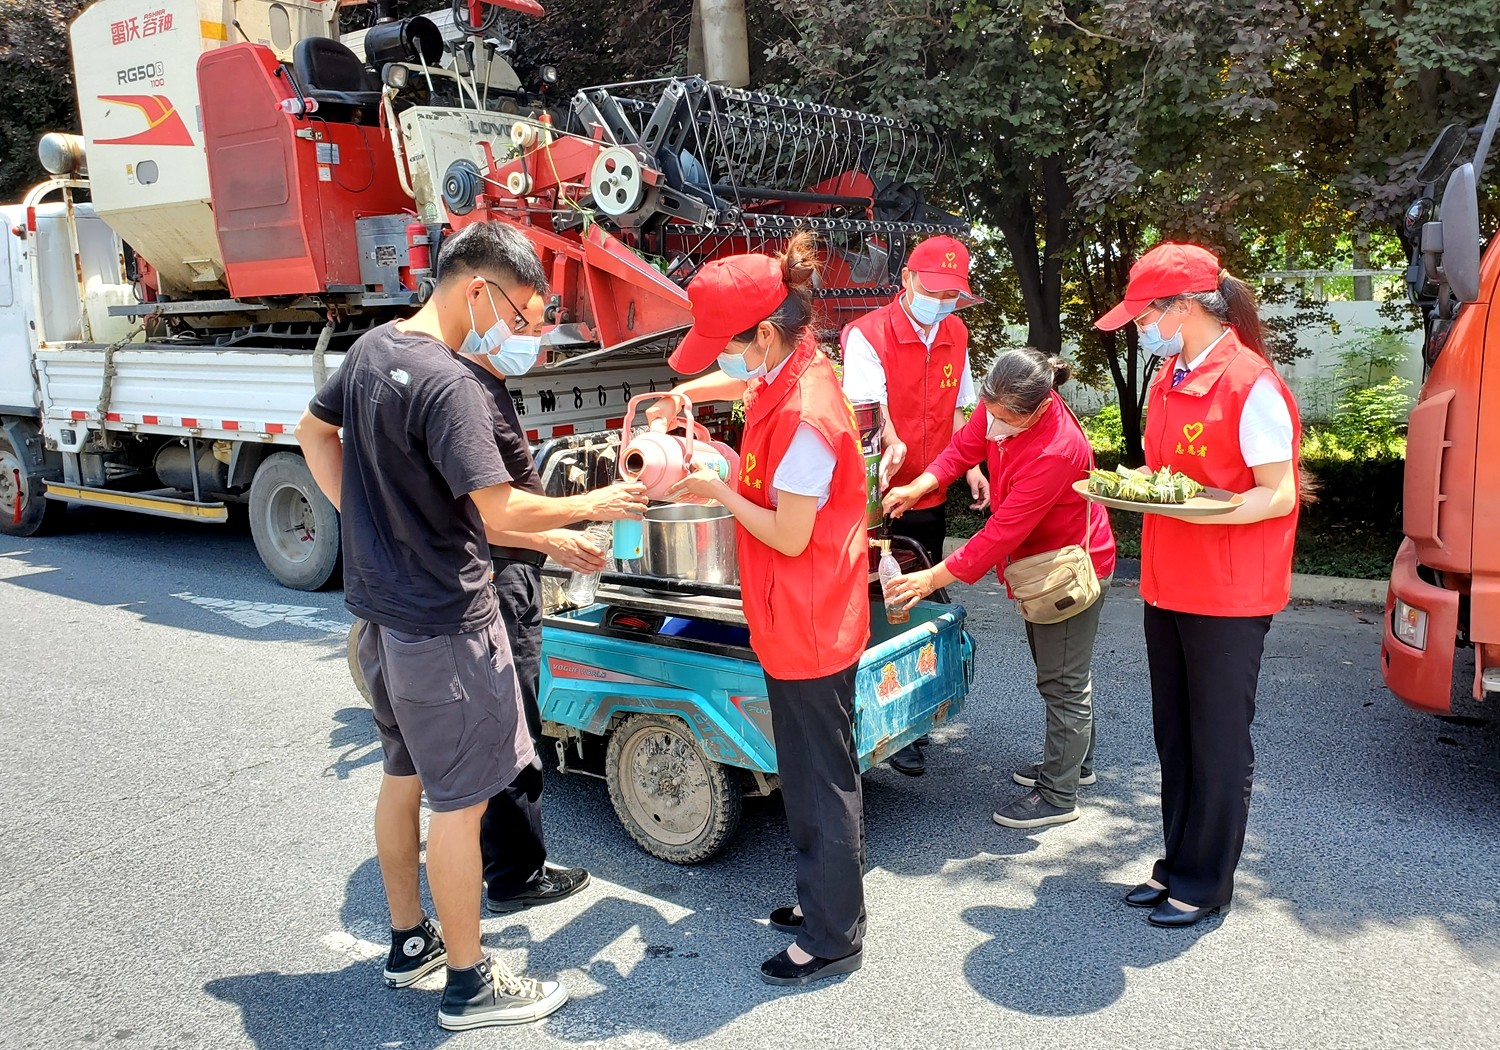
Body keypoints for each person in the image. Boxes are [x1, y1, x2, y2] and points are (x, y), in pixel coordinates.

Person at [296, 220, 645, 1031]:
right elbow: (499, 509)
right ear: (478, 290)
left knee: (403, 779)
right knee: (461, 806)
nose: (520, 332)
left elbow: (313, 432)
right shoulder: (449, 382)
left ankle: (408, 941)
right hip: (446, 626)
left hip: (384, 621)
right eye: (520, 314)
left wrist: (366, 523)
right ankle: (468, 983)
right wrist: (598, 501)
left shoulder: (374, 348)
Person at [652, 232, 871, 987]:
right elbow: (742, 380)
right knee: (806, 771)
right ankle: (823, 901)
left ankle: (833, 934)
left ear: (767, 335)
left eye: (732, 345)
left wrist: (716, 489)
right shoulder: (789, 364)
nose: (729, 358)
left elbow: (789, 532)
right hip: (797, 609)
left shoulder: (807, 411)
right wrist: (689, 395)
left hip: (809, 616)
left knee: (820, 780)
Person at [1093, 241, 1302, 929]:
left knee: (1217, 741)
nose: (1139, 329)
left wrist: (1200, 510)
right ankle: (1176, 864)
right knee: (1176, 735)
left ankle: (1206, 882)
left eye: (1143, 315)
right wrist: (1151, 493)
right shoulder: (1172, 375)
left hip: (1228, 590)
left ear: (1182, 308)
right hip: (1169, 582)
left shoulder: (1249, 382)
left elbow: (1277, 493)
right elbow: (1169, 475)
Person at [883, 349, 1117, 830]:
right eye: (989, 411)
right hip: (1041, 566)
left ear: (1039, 408)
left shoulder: (1058, 449)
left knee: (1063, 682)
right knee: (1062, 673)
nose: (993, 424)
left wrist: (930, 578)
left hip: (1068, 570)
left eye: (1005, 418)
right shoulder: (1003, 405)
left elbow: (1001, 533)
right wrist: (919, 485)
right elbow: (961, 449)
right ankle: (1075, 765)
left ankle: (1058, 795)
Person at [840, 235, 987, 776]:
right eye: (934, 290)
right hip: (879, 495)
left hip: (930, 493)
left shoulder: (956, 332)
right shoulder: (867, 334)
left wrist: (971, 465)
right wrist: (893, 439)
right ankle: (875, 713)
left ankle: (912, 715)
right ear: (906, 279)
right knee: (875, 598)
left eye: (952, 294)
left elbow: (960, 410)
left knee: (916, 595)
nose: (943, 303)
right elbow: (868, 407)